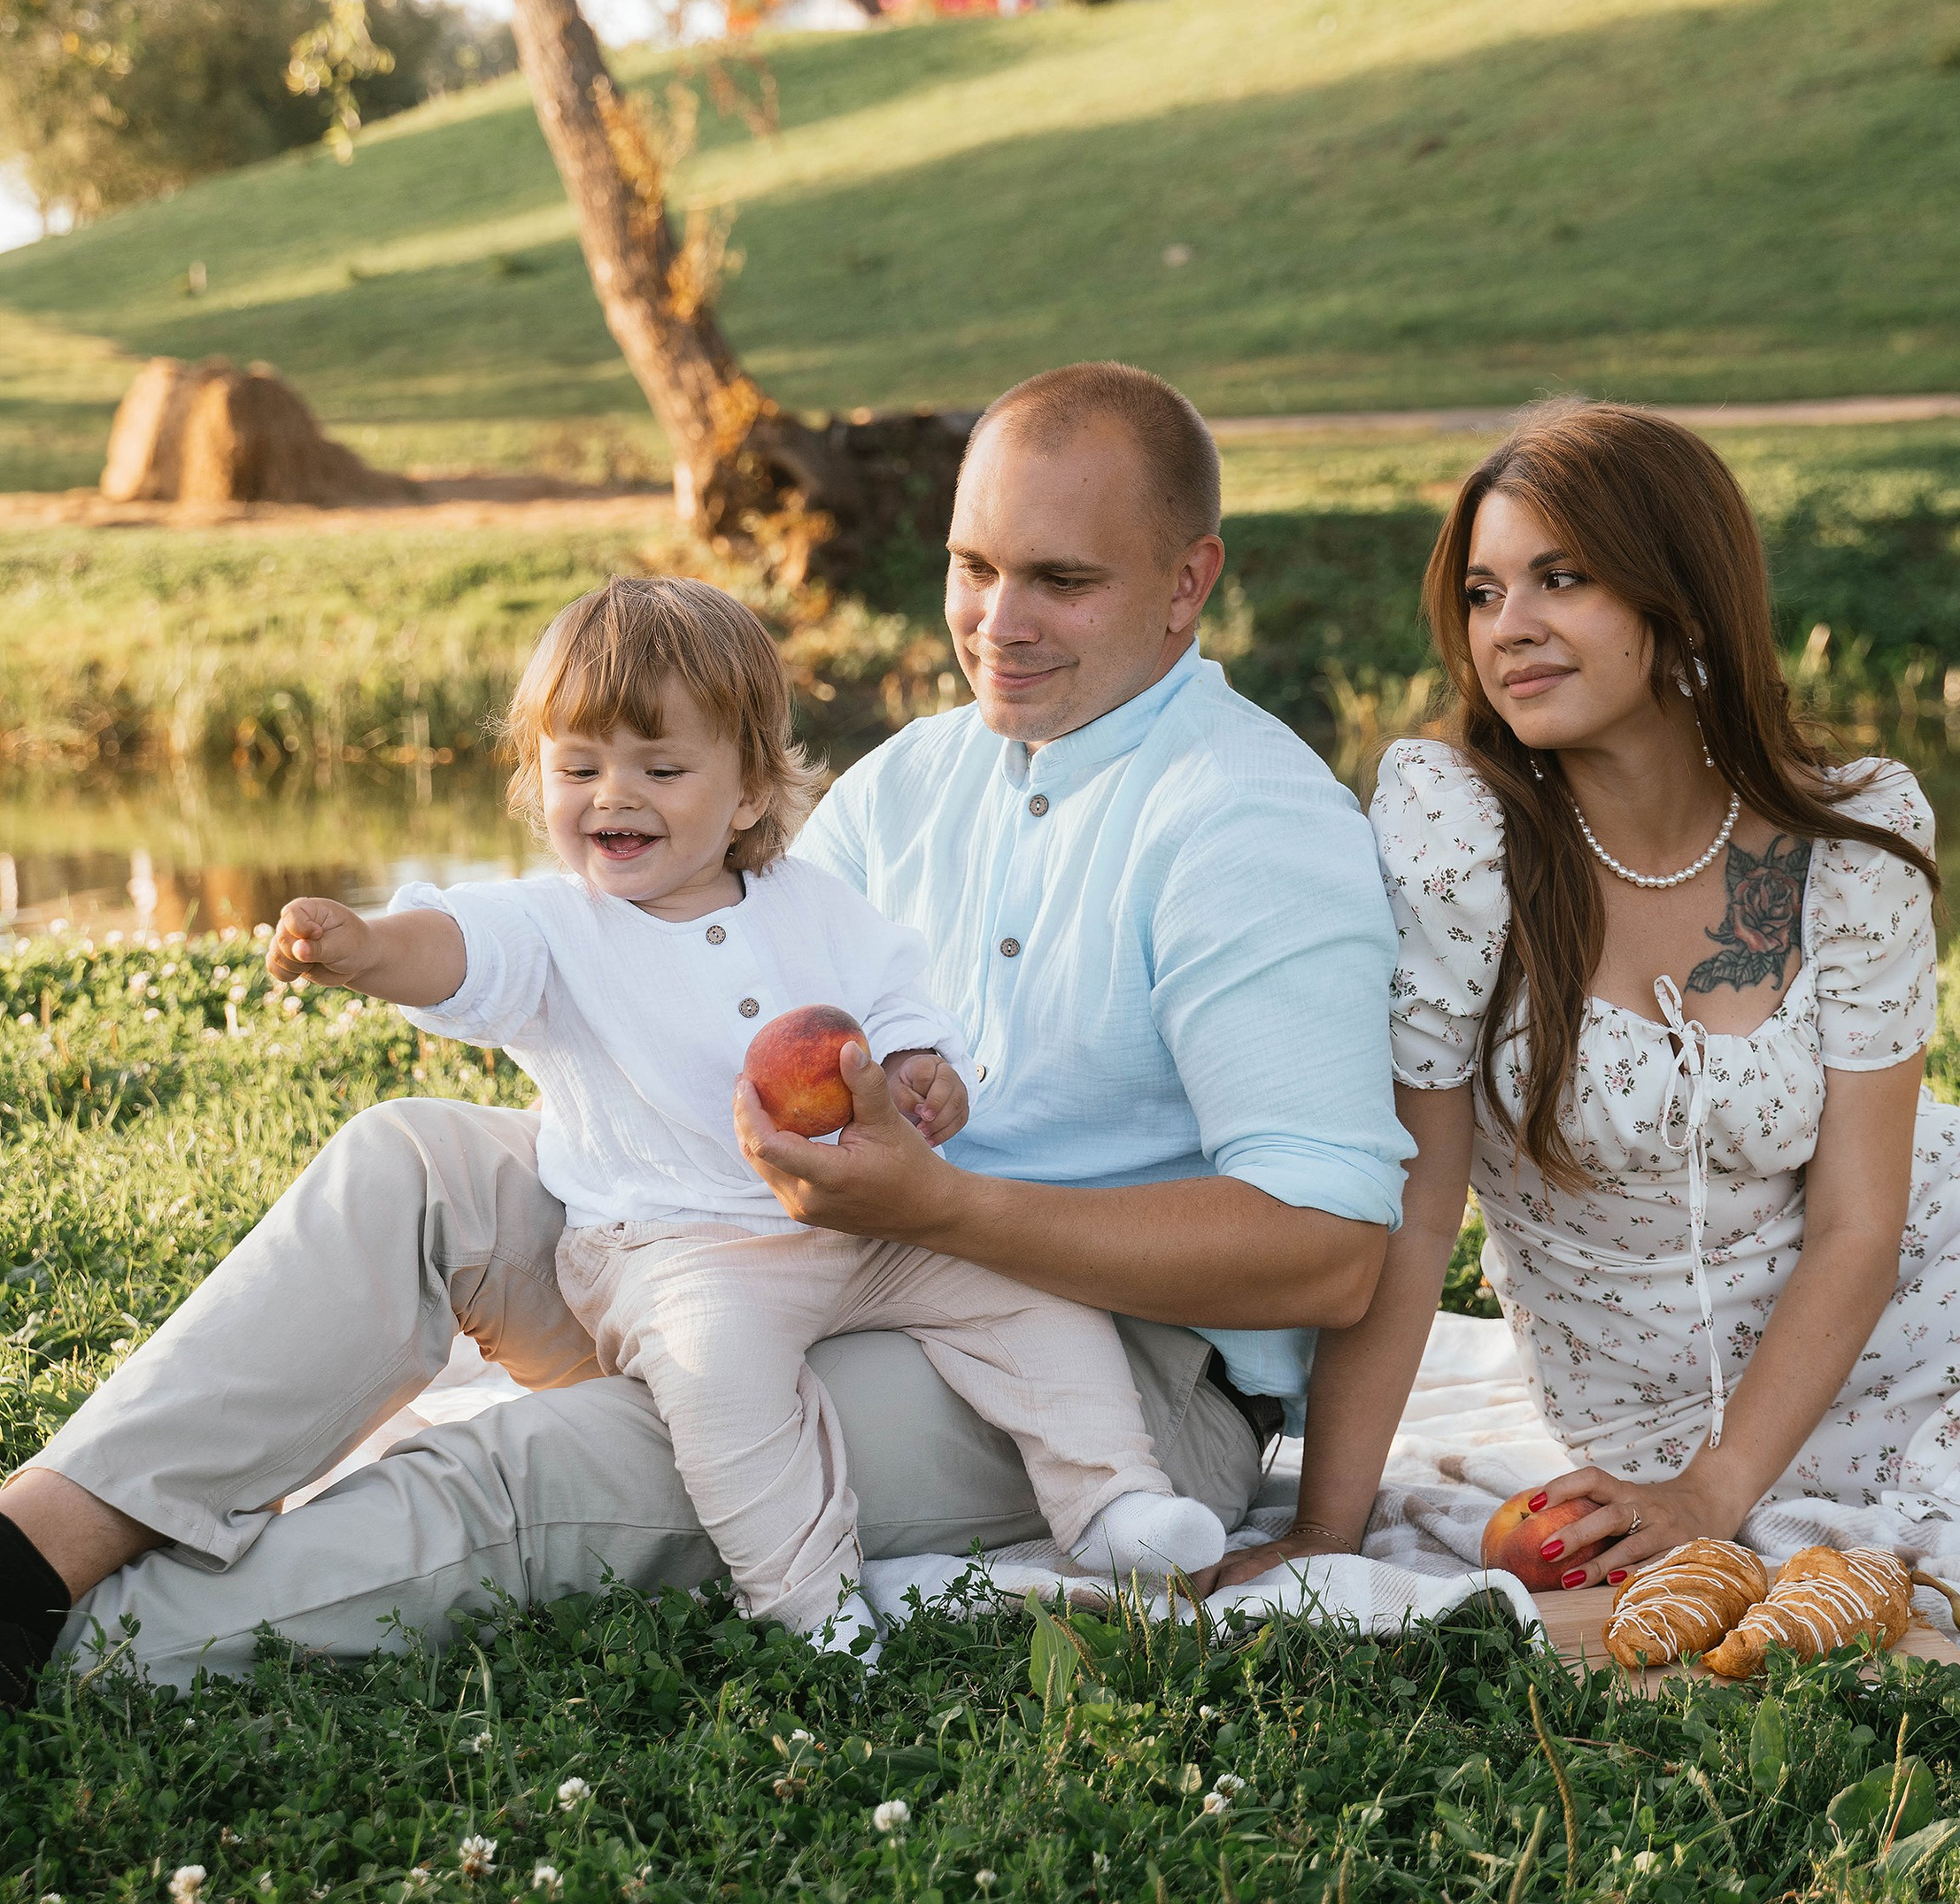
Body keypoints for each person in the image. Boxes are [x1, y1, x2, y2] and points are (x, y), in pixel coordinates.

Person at [0, 364, 1406, 1697]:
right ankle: (35, 1549)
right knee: (410, 1166)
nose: (998, 621)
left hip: (1115, 1377)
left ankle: (95, 1651)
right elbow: (704, 969)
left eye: (1062, 580)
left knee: (562, 1462)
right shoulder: (919, 776)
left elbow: (1331, 1251)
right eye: (975, 567)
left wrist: (943, 1208)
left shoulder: (1249, 825)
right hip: (776, 1240)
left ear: (1188, 581)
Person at [1223, 399, 1960, 1597]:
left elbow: (1862, 1223)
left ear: (1680, 600)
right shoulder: (1457, 835)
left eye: (1561, 579)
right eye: (1482, 592)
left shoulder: (1850, 837)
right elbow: (1415, 1215)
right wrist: (1326, 1528)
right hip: (1683, 1405)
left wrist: (1718, 1497)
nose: (1510, 628)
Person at [265, 575, 1232, 1657]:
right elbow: (454, 948)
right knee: (723, 1385)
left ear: (746, 793)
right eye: (577, 768)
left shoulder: (811, 904)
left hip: (858, 1225)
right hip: (676, 1248)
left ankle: (1112, 1503)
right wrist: (365, 948)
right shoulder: (553, 927)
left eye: (660, 768)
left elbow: (895, 998)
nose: (613, 796)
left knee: (1029, 1290)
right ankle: (810, 1605)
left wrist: (919, 1068)